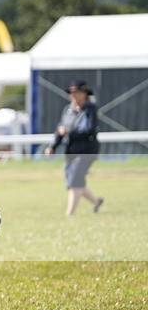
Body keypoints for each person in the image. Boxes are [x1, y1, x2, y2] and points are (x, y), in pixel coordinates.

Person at [44, 79, 104, 216]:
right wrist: (52, 146)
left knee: (75, 179)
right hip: (70, 150)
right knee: (73, 180)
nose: (74, 96)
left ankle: (70, 214)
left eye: (77, 92)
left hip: (87, 150)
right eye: (72, 93)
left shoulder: (90, 109)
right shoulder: (68, 110)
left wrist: (69, 132)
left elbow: (91, 130)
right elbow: (60, 130)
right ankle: (96, 201)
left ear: (84, 93)